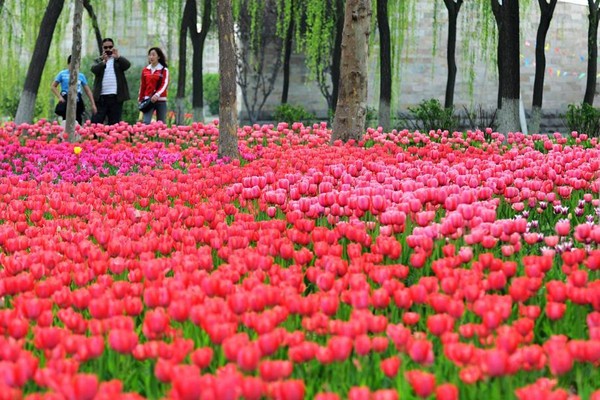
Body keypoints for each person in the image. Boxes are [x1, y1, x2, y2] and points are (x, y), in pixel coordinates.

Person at [91, 38, 131, 125]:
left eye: (110, 47)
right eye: (106, 47)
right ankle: (95, 138)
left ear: (113, 47)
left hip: (116, 97)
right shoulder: (98, 60)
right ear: (102, 48)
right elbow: (94, 69)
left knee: (114, 124)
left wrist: (118, 56)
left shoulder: (118, 60)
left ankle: (112, 138)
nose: (108, 49)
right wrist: (103, 61)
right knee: (96, 122)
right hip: (101, 98)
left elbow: (127, 65)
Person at [51, 55, 97, 125]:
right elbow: (53, 87)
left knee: (78, 120)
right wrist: (59, 97)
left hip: (77, 100)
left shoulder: (81, 76)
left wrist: (93, 104)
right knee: (66, 121)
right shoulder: (62, 74)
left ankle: (77, 134)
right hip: (66, 99)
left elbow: (88, 91)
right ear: (68, 64)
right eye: (72, 64)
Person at [138, 47, 170, 124]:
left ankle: (160, 136)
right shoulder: (145, 70)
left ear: (158, 57)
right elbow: (143, 85)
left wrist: (157, 94)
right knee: (146, 122)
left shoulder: (164, 70)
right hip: (148, 100)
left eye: (153, 55)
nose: (151, 57)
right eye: (150, 55)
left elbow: (164, 84)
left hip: (161, 100)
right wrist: (140, 98)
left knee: (161, 123)